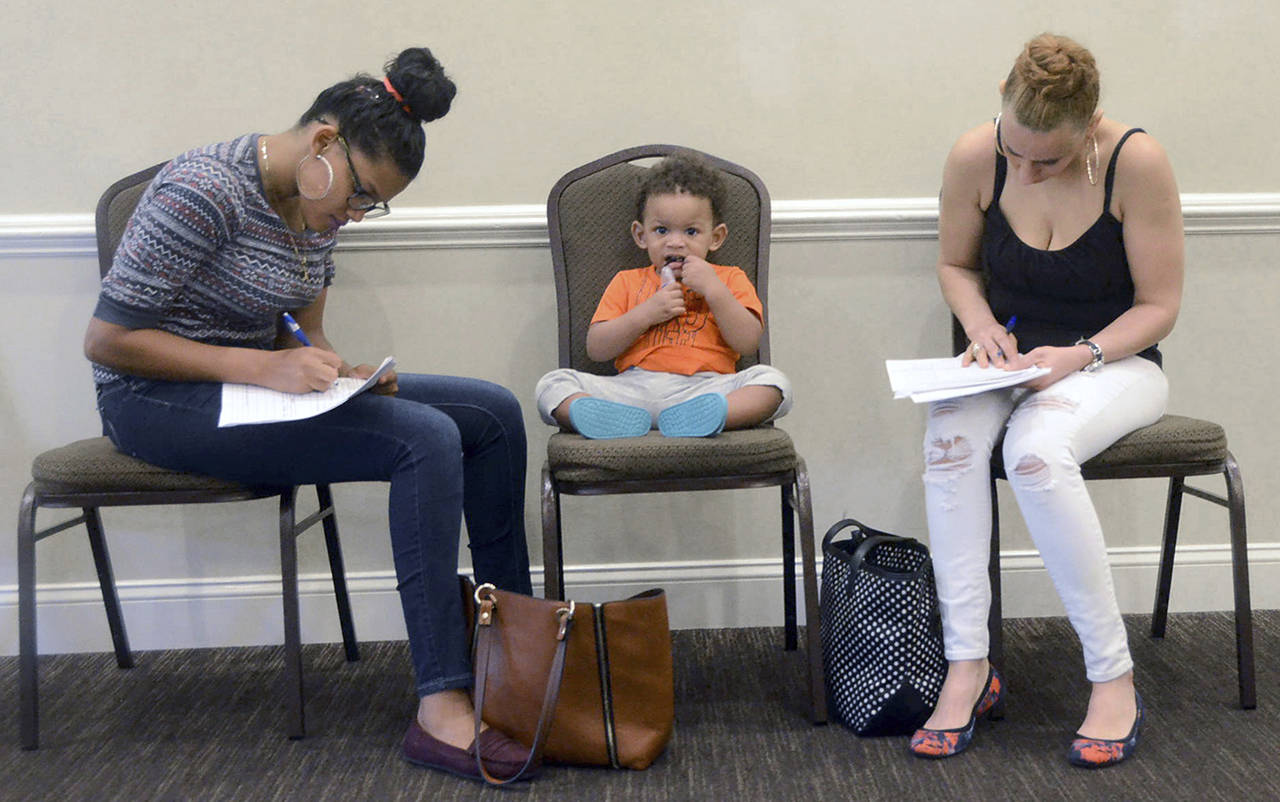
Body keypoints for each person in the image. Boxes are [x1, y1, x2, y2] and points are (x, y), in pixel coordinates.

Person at [84, 48, 537, 783]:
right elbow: (108, 341)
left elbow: (302, 332)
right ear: (323, 143)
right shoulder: (203, 189)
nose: (354, 218)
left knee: (491, 413)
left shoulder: (313, 210)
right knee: (424, 439)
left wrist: (340, 374)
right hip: (152, 403)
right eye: (359, 197)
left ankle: (516, 660)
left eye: (372, 207)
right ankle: (441, 705)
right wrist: (260, 366)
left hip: (253, 392)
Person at [911, 34, 1183, 768]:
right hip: (1007, 357)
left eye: (1050, 161)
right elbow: (955, 264)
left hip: (1113, 361)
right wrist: (980, 326)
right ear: (1000, 100)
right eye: (1016, 151)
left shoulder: (1136, 162)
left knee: (1033, 454)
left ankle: (1112, 677)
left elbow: (1159, 306)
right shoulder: (976, 153)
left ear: (1090, 126)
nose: (1026, 170)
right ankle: (968, 664)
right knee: (948, 442)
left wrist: (1079, 356)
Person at [535, 152, 791, 439]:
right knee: (553, 384)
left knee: (773, 383)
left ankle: (708, 417)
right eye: (661, 230)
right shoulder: (627, 281)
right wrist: (646, 313)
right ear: (641, 235)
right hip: (632, 390)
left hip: (704, 390)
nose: (676, 242)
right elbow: (596, 349)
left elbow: (747, 343)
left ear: (715, 237)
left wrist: (714, 291)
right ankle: (613, 420)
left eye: (691, 231)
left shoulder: (728, 278)